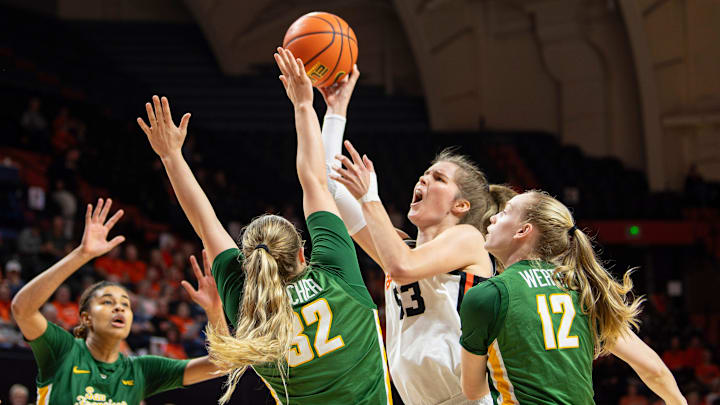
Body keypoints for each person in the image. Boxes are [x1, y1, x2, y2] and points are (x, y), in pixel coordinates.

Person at [136, 47, 392, 405]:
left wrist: (170, 156)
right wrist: (304, 104)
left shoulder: (247, 306)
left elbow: (205, 224)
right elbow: (315, 181)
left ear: (247, 260)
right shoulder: (336, 277)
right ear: (303, 251)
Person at [324, 69, 514, 404]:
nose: (422, 180)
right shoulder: (400, 248)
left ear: (461, 205)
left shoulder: (468, 239)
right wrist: (336, 111)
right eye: (423, 174)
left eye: (437, 178)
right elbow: (331, 191)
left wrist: (370, 198)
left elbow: (401, 266)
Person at [458, 190, 686, 404]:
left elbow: (473, 390)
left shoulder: (487, 296)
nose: (493, 218)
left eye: (505, 212)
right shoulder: (583, 291)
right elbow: (654, 370)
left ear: (522, 231)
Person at [10, 198, 226, 404]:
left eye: (125, 304)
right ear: (86, 317)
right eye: (107, 302)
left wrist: (215, 310)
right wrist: (81, 255)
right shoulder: (64, 351)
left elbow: (223, 363)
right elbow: (22, 309)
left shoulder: (140, 370)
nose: (119, 307)